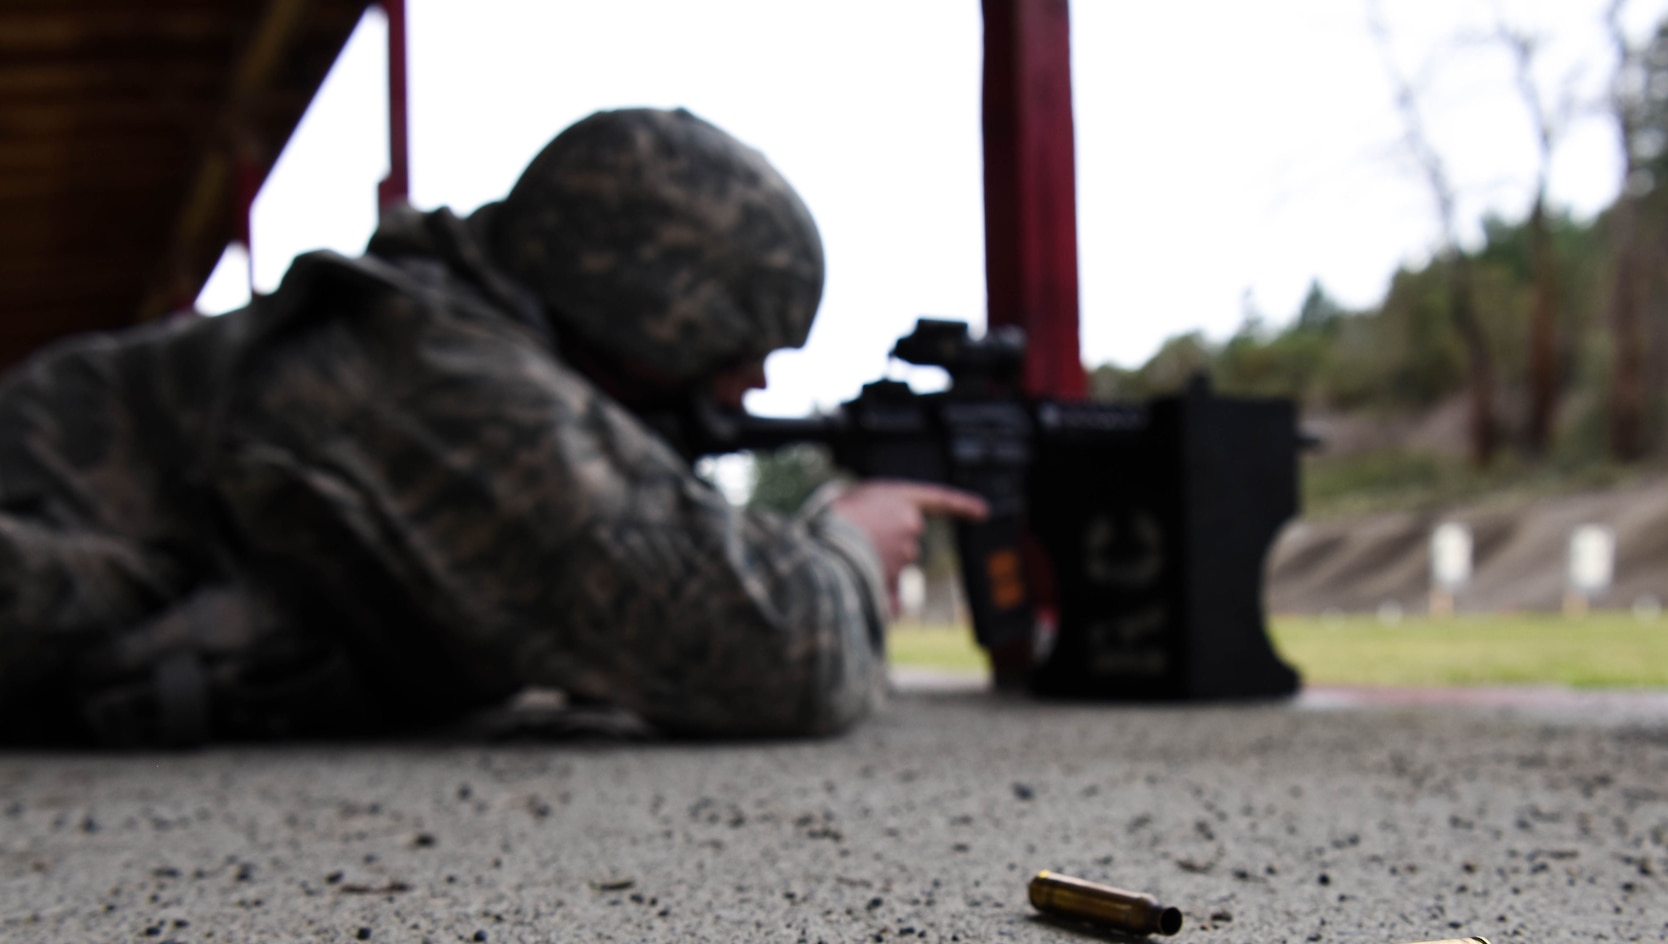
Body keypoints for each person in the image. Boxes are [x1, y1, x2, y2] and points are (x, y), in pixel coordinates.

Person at [0, 107, 984, 744]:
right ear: (649, 306)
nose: (746, 384)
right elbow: (779, 658)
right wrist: (852, 542)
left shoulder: (437, 345)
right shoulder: (443, 377)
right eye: (736, 347)